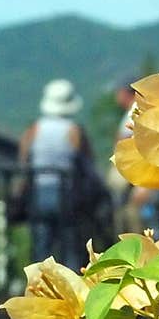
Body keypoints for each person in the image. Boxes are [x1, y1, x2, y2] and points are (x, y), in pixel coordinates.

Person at [17, 78, 95, 270]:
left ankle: (40, 289)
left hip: (39, 192)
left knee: (41, 247)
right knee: (70, 247)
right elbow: (87, 163)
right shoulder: (74, 130)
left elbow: (24, 160)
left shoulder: (34, 129)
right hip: (66, 193)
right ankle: (74, 290)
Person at [107, 80, 159, 238]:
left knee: (143, 221)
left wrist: (145, 186)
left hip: (145, 177)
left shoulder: (136, 111)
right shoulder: (134, 111)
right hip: (142, 176)